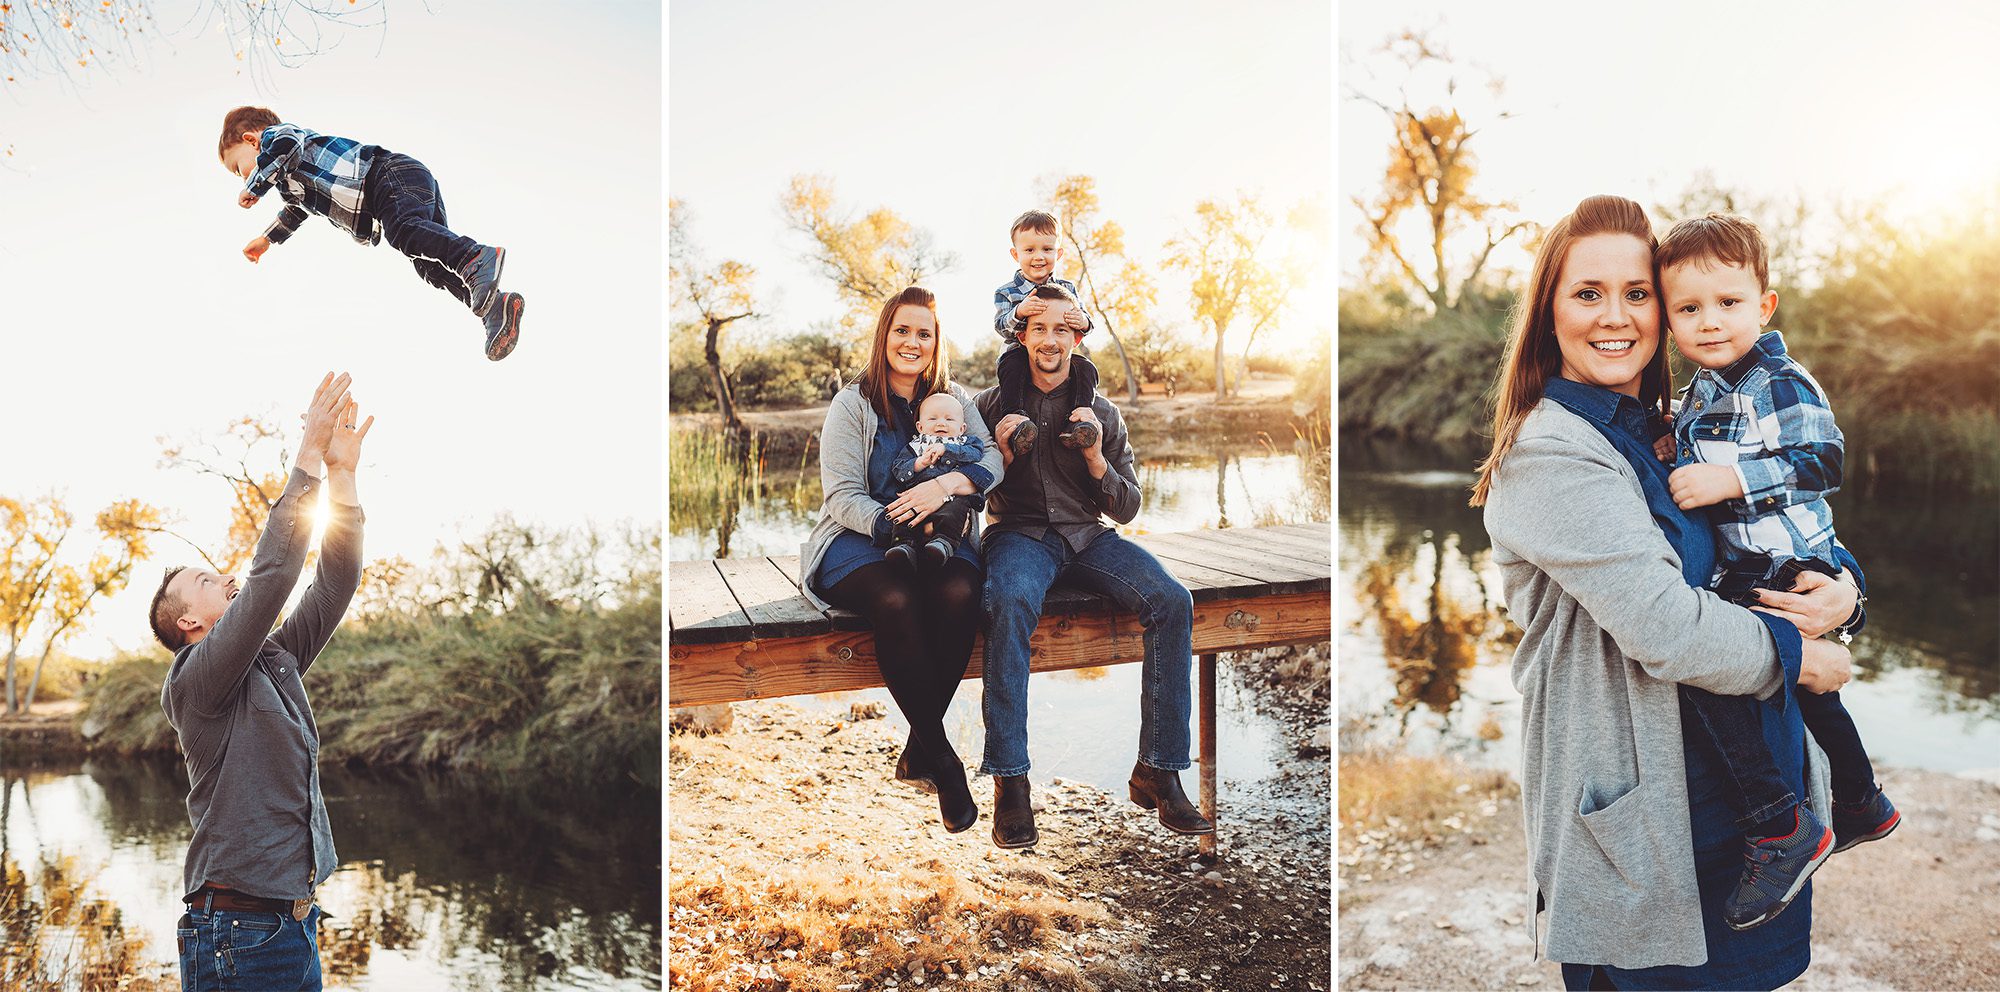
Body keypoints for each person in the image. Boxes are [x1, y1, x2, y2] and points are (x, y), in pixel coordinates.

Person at [1474, 195, 1866, 990]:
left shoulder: (1678, 423)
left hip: (1754, 806)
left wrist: (1846, 591)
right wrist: (1803, 658)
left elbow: (1777, 526)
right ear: (1548, 313)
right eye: (1587, 293)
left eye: (1637, 292)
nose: (1614, 315)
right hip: (1648, 820)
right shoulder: (1549, 454)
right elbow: (1666, 626)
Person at [1654, 212, 1901, 931]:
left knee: (1710, 670)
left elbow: (1825, 462)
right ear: (1670, 321)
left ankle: (1778, 825)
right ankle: (1861, 802)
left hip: (1791, 558)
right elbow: (1702, 438)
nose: (1709, 322)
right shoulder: (1705, 388)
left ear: (1764, 305)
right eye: (1689, 309)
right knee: (1813, 696)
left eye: (1728, 303)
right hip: (1757, 561)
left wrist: (1728, 480)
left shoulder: (1779, 381)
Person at [153, 371, 372, 992]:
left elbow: (333, 586)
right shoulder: (196, 681)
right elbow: (272, 576)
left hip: (291, 930)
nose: (221, 576)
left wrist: (343, 475)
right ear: (189, 621)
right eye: (202, 580)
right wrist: (306, 454)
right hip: (236, 937)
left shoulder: (270, 664)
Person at [974, 283, 1211, 850]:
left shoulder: (1101, 411)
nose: (1050, 339)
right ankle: (1011, 781)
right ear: (1021, 335)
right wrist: (1003, 457)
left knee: (1173, 600)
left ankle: (1157, 769)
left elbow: (1127, 506)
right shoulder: (989, 406)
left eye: (1062, 329)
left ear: (1077, 338)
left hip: (1089, 538)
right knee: (1007, 601)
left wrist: (1095, 456)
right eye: (1039, 328)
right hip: (1020, 536)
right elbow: (968, 493)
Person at [798, 286, 1005, 834]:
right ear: (884, 336)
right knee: (896, 595)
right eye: (902, 331)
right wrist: (894, 520)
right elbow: (840, 495)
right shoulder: (854, 403)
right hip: (859, 537)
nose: (912, 342)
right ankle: (942, 760)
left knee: (960, 592)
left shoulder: (954, 398)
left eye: (924, 333)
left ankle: (918, 748)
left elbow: (991, 460)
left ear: (937, 342)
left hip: (943, 533)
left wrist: (948, 488)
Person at [217, 106, 524, 361]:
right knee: (429, 266)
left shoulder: (278, 137)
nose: (240, 177)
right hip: (395, 189)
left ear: (251, 140)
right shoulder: (289, 184)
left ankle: (475, 257)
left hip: (387, 175)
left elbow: (285, 151)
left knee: (403, 232)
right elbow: (296, 211)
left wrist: (254, 185)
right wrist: (267, 239)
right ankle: (495, 307)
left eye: (237, 168)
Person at [991, 209, 1099, 455]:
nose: (1038, 257)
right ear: (1015, 254)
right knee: (1011, 364)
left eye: (1047, 249)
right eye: (1029, 250)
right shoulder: (1007, 292)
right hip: (1019, 354)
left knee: (1086, 368)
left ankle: (1078, 420)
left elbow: (1086, 325)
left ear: (1058, 253)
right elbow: (1000, 326)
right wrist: (1019, 312)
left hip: (1059, 359)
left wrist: (1082, 320)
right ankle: (1017, 420)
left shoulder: (1067, 288)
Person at [884, 392, 989, 571]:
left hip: (952, 499)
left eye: (949, 419)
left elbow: (976, 455)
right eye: (933, 418)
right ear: (920, 426)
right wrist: (918, 464)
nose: (941, 423)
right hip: (917, 498)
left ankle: (943, 544)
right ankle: (903, 546)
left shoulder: (965, 443)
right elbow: (898, 469)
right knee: (902, 510)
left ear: (962, 428)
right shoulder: (916, 446)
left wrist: (946, 448)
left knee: (955, 511)